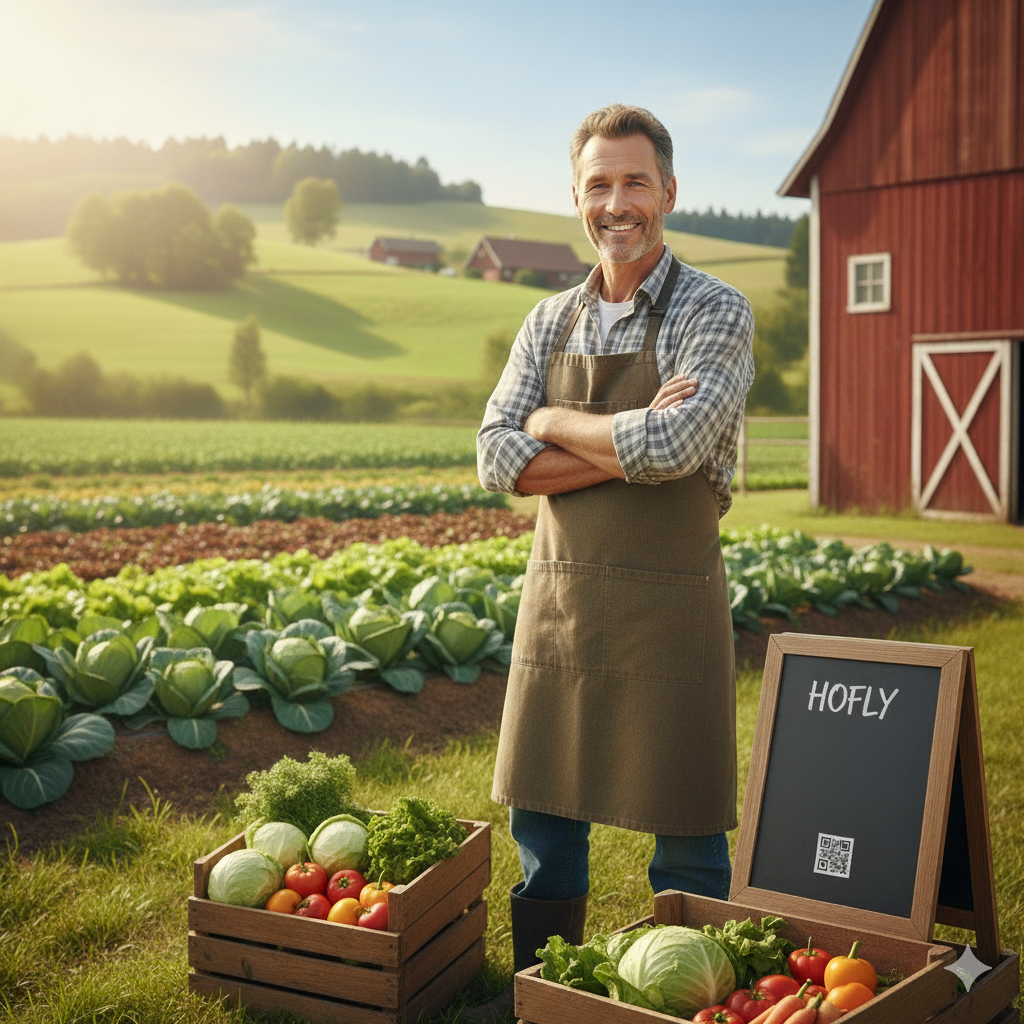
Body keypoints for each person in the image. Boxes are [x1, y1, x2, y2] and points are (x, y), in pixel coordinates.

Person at [472, 103, 754, 1016]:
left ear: (669, 192)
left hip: (672, 603)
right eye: (600, 183)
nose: (617, 201)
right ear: (577, 198)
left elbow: (676, 449)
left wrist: (550, 423)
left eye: (636, 181)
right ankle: (547, 993)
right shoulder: (548, 322)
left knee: (687, 824)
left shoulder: (716, 309)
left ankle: (694, 997)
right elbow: (494, 457)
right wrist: (614, 440)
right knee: (545, 820)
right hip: (561, 604)